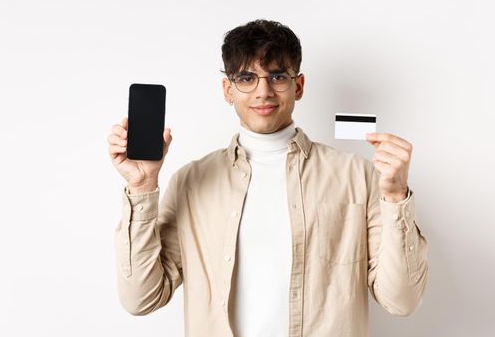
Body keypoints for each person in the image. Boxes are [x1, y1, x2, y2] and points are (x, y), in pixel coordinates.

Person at [107, 19, 428, 337]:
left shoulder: (357, 176)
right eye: (247, 77)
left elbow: (402, 301)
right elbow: (141, 298)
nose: (263, 91)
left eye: (277, 76)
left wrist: (397, 196)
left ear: (298, 85)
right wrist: (142, 185)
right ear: (227, 89)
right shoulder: (191, 182)